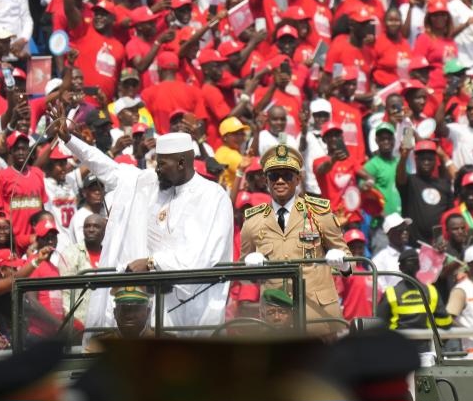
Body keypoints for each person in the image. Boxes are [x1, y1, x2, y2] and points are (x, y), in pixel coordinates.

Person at [58, 116, 233, 332]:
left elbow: (201, 256)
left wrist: (151, 263)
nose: (156, 169)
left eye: (162, 164)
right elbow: (109, 170)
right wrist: (70, 141)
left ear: (181, 163)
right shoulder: (151, 184)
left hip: (192, 307)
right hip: (152, 304)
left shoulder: (212, 196)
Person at [241, 144, 351, 335]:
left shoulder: (318, 214)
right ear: (266, 180)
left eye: (287, 175)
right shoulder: (253, 221)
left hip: (318, 314)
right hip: (276, 318)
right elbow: (241, 274)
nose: (280, 181)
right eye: (274, 176)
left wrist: (343, 263)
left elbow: (350, 260)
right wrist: (250, 269)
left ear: (298, 179)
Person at [377, 248, 451, 351]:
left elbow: (379, 323)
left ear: (400, 268)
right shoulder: (431, 291)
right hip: (426, 349)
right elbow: (445, 323)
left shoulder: (391, 293)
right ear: (419, 266)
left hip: (398, 349)